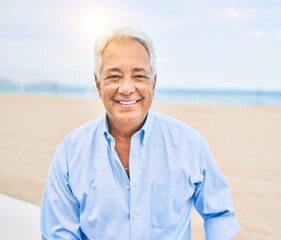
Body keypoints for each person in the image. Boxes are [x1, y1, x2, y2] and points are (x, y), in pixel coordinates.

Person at [40, 27, 240, 239]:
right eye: (114, 76)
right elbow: (59, 234)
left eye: (139, 76)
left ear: (153, 83)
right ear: (98, 85)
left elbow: (220, 213)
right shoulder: (70, 153)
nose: (126, 88)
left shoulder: (188, 144)